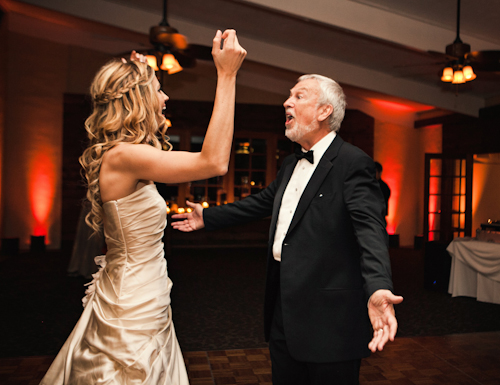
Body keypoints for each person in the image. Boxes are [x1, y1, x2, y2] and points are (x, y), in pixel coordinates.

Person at [40, 29, 246, 385]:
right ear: (137, 99)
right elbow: (214, 162)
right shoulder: (125, 157)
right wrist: (227, 75)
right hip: (133, 301)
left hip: (143, 291)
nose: (165, 97)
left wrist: (140, 73)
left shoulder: (126, 155)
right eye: (157, 89)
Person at [172, 74, 403, 384]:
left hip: (330, 320)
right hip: (285, 308)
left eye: (298, 96)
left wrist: (378, 286)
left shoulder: (353, 163)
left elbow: (370, 230)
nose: (287, 102)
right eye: (289, 95)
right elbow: (263, 202)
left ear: (324, 111)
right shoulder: (290, 165)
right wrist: (209, 217)